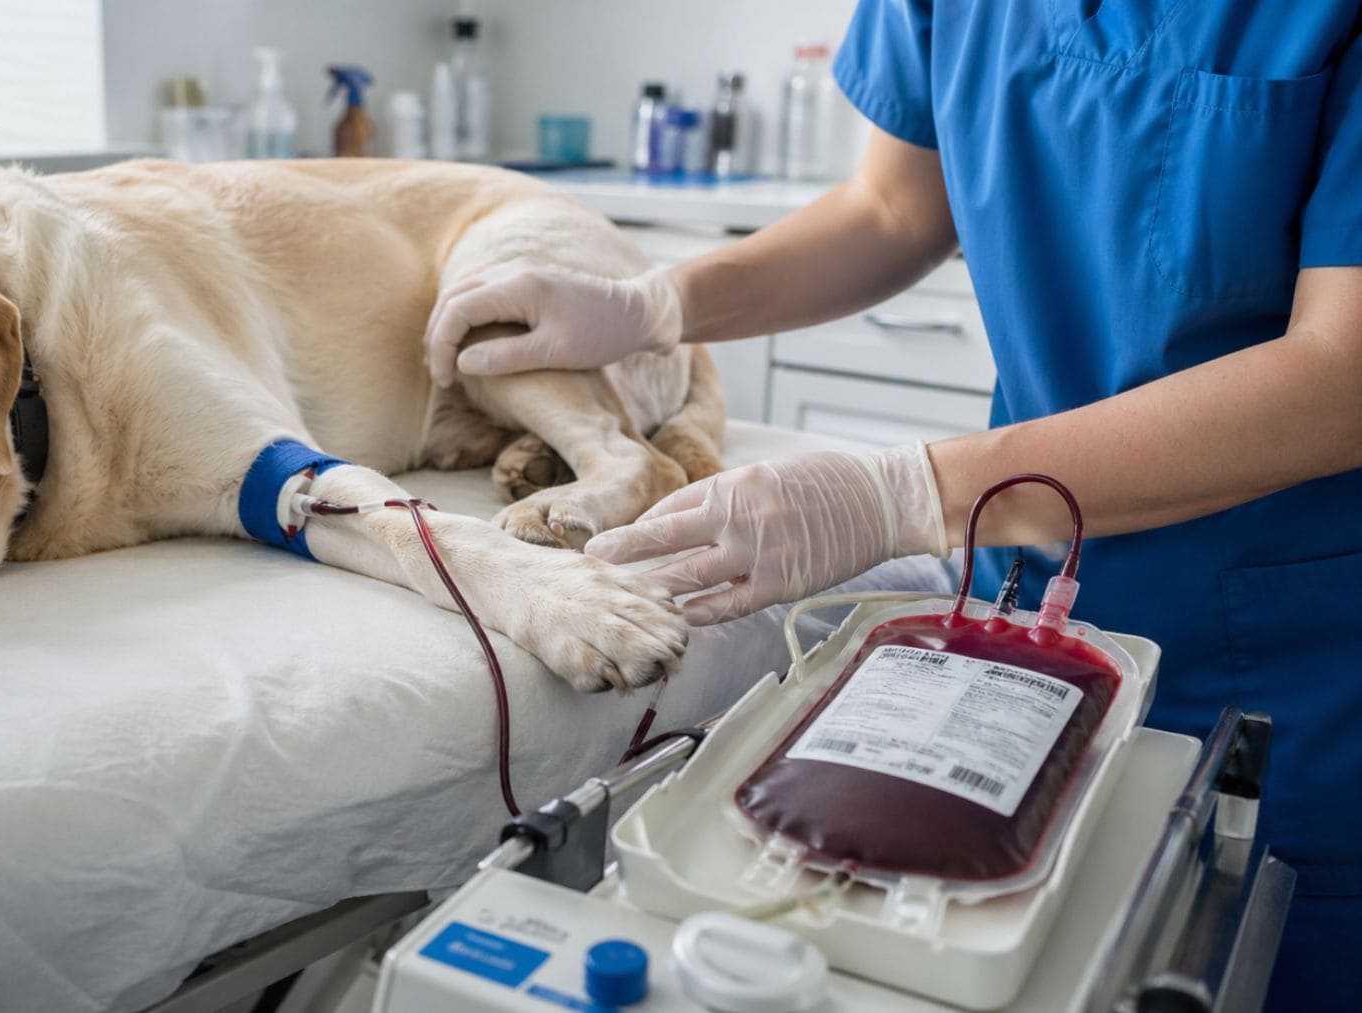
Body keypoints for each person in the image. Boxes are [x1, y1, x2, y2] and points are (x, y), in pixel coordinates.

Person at [424, 4, 1362, 1008]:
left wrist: (909, 493)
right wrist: (657, 306)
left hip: (1290, 660)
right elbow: (891, 209)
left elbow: (1339, 374)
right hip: (1029, 601)